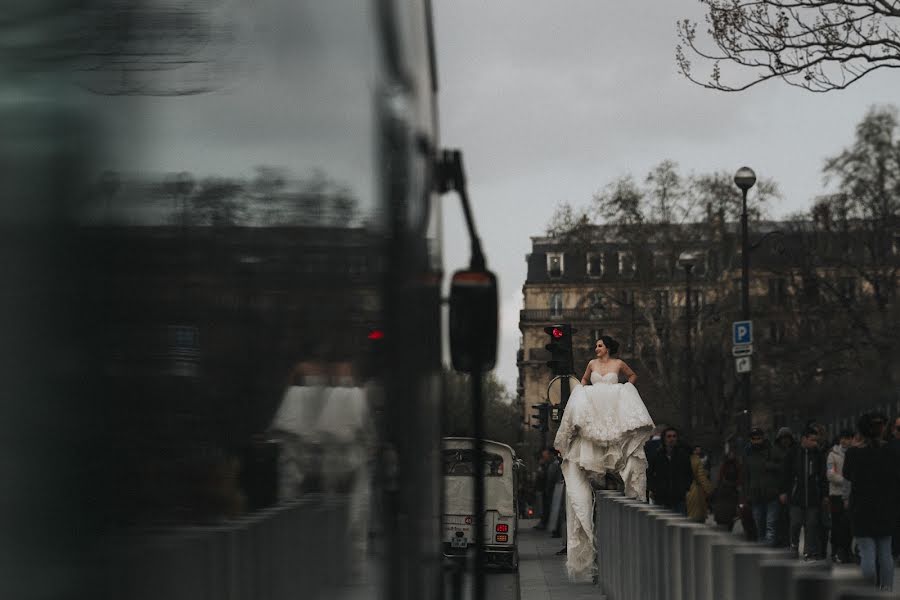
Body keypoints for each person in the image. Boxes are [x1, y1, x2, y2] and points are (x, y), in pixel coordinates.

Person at [554, 335, 655, 581]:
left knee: (622, 448)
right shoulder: (590, 364)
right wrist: (589, 394)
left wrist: (622, 390)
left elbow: (633, 377)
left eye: (599, 345)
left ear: (607, 347)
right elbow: (583, 383)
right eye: (596, 345)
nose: (596, 348)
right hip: (597, 407)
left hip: (612, 406)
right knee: (590, 444)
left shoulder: (619, 364)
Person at [844, 413, 899, 591]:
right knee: (886, 553)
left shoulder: (853, 453)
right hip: (886, 508)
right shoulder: (891, 451)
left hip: (861, 509)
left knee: (867, 552)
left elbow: (846, 475)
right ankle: (887, 589)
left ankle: (868, 589)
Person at [780, 426, 827, 560]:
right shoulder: (793, 453)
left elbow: (823, 476)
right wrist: (783, 491)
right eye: (812, 440)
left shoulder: (818, 455)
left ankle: (809, 550)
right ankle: (793, 546)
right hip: (796, 496)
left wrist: (824, 494)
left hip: (813, 496)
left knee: (811, 524)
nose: (815, 443)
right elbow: (785, 474)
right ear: (804, 439)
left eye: (816, 440)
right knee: (795, 523)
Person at [742, 427, 781, 546]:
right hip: (755, 494)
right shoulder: (747, 453)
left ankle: (768, 550)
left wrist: (769, 466)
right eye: (754, 438)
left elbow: (781, 467)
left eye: (758, 438)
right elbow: (745, 476)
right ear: (750, 440)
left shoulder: (772, 450)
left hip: (771, 493)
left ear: (763, 438)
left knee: (770, 524)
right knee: (759, 524)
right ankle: (762, 550)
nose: (756, 441)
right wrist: (746, 494)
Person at [647, 427, 693, 513]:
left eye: (674, 436)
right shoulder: (657, 456)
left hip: (679, 498)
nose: (672, 439)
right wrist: (654, 489)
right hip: (661, 498)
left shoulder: (683, 456)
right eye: (669, 436)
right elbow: (650, 473)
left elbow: (689, 474)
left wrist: (685, 488)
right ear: (664, 439)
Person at [826, 430, 853, 563]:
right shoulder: (833, 454)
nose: (844, 441)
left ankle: (847, 550)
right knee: (837, 524)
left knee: (848, 525)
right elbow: (830, 474)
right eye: (843, 438)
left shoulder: (854, 453)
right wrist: (846, 481)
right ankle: (836, 551)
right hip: (836, 495)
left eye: (847, 438)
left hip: (851, 495)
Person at [771, 427, 795, 547]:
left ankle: (786, 541)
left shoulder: (793, 451)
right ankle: (780, 541)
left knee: (789, 519)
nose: (785, 441)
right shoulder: (775, 451)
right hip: (778, 489)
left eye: (787, 438)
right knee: (779, 518)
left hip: (791, 488)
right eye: (783, 438)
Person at [712, 447, 741, 530]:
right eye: (730, 455)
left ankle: (728, 523)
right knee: (723, 509)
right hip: (724, 490)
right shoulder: (724, 465)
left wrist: (736, 485)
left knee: (730, 510)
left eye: (732, 455)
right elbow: (720, 477)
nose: (731, 456)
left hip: (732, 490)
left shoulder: (737, 465)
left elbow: (739, 476)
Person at [686, 445, 713, 523]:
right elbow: (701, 477)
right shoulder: (695, 460)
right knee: (695, 519)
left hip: (680, 494)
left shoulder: (676, 458)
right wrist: (710, 490)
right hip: (694, 491)